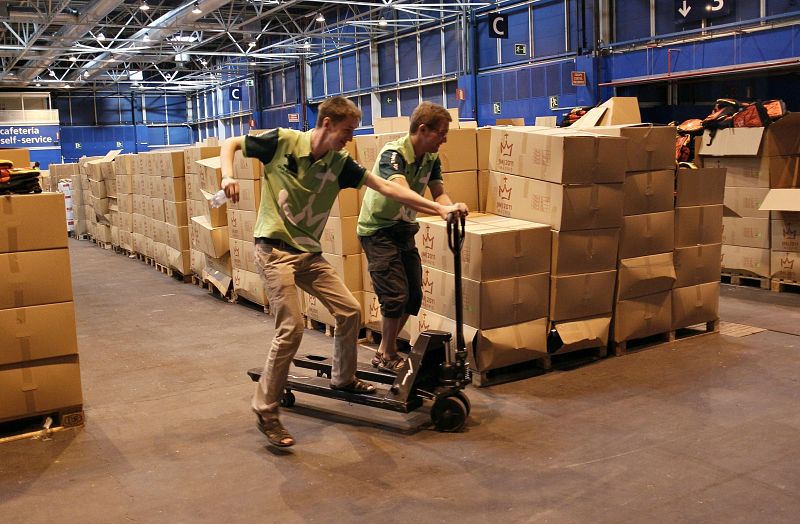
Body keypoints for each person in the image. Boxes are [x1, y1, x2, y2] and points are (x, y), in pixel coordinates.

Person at [219, 96, 466, 448]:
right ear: (327, 124)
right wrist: (228, 176)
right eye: (347, 131)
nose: (350, 138)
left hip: (308, 254)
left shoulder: (339, 163)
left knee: (350, 311)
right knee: (292, 327)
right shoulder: (283, 141)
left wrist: (438, 209)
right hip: (274, 251)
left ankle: (343, 378)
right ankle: (265, 408)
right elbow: (231, 143)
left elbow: (385, 186)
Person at [357, 102, 467, 373]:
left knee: (414, 296)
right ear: (422, 129)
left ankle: (384, 350)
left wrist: (450, 207)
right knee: (394, 296)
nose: (444, 139)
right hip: (378, 230)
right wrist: (439, 209)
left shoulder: (431, 158)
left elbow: (438, 192)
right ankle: (389, 352)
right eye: (441, 133)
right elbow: (401, 192)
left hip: (404, 229)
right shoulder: (393, 154)